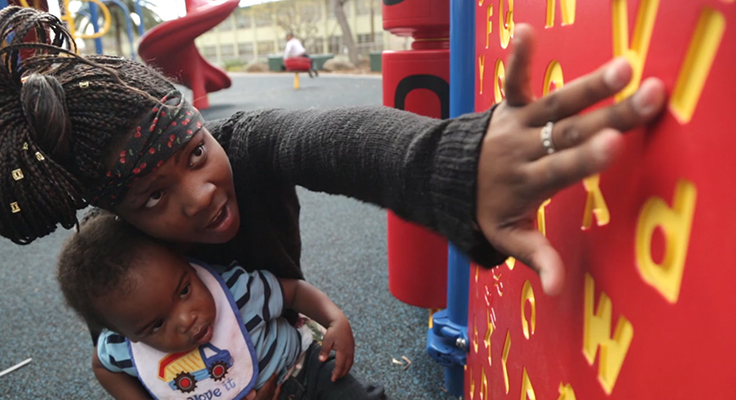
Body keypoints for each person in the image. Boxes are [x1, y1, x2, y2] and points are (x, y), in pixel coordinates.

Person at [0, 6, 665, 397]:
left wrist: (448, 166)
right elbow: (110, 352)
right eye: (155, 197)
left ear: (202, 127)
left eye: (197, 154)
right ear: (122, 216)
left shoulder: (246, 144)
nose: (200, 195)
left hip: (290, 352)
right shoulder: (113, 258)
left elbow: (325, 140)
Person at [58, 210, 386, 400]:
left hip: (303, 370)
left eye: (184, 290)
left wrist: (335, 319)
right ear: (123, 332)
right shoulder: (123, 348)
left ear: (184, 261)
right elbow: (102, 366)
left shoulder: (236, 291)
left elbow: (294, 292)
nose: (187, 318)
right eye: (156, 325)